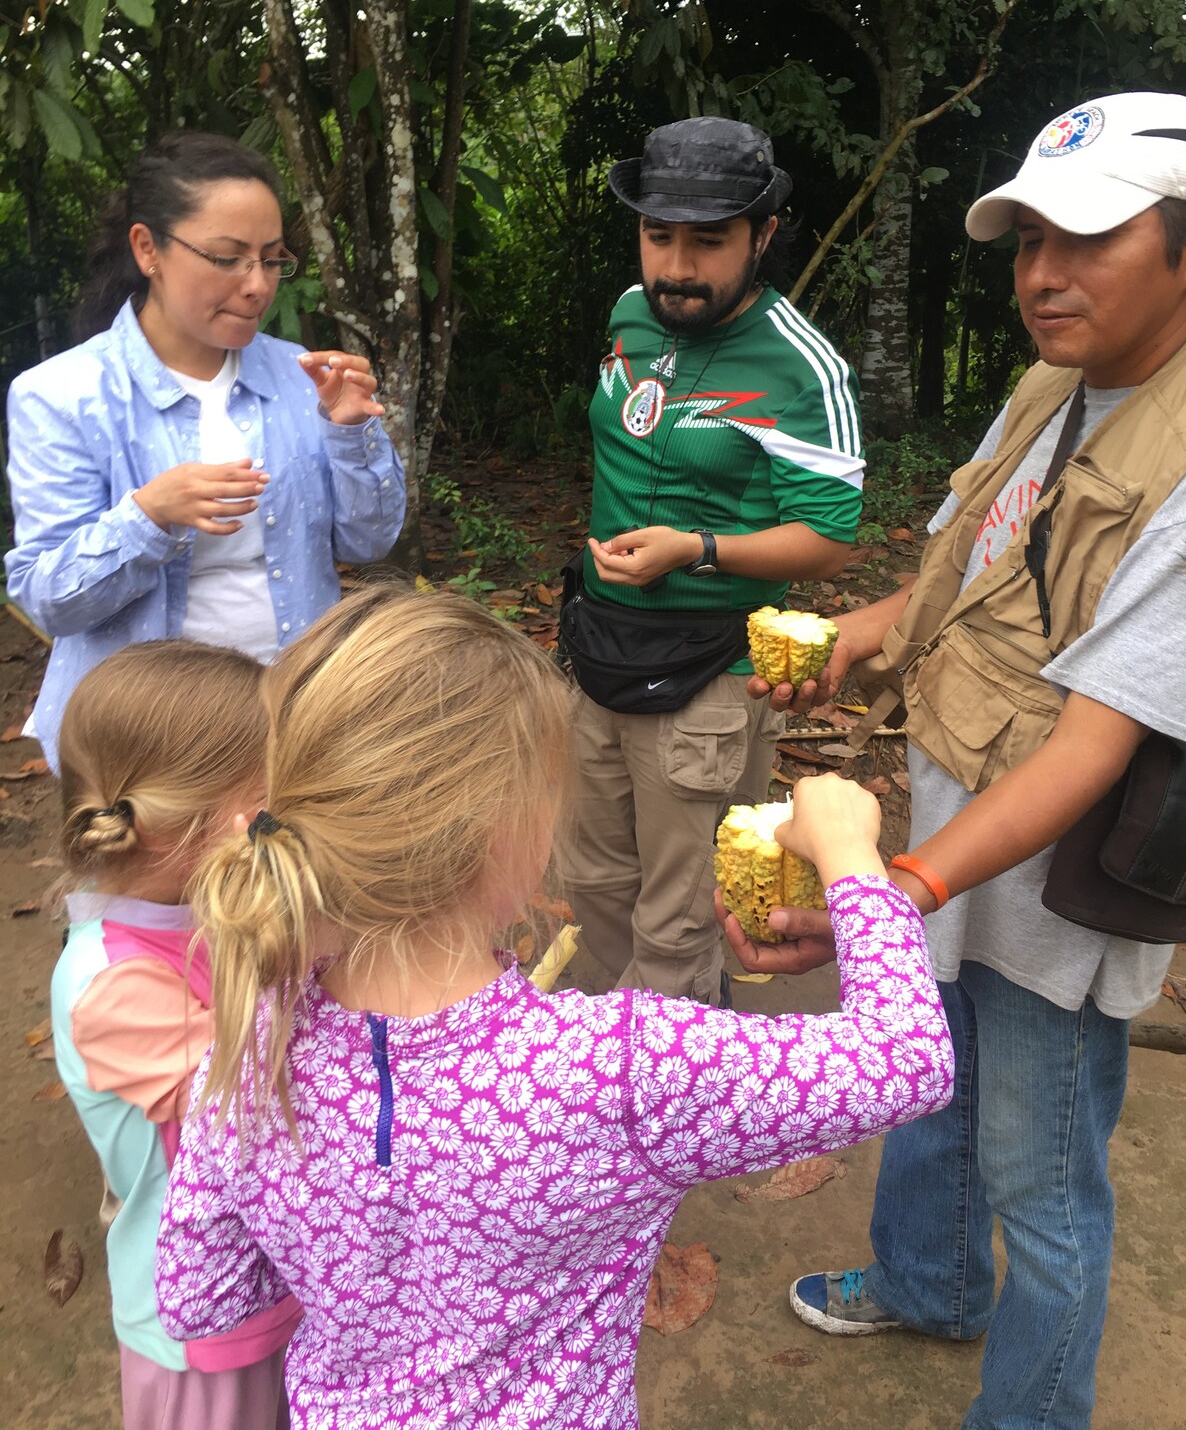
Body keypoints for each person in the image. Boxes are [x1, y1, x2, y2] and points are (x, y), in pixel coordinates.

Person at [154, 584, 952, 1429]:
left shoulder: (247, 1045)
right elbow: (907, 1061)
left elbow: (199, 1297)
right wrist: (853, 861)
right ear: (510, 832)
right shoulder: (619, 1066)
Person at [733, 90, 1186, 1430]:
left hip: (1055, 877)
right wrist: (846, 641)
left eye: (1090, 238)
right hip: (953, 810)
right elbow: (956, 580)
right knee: (923, 1080)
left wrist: (889, 893)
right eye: (1026, 242)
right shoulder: (1057, 382)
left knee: (1043, 1181)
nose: (1042, 276)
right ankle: (930, 1280)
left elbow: (1100, 739)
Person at [556, 116, 864, 1004]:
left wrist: (696, 549)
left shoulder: (800, 366)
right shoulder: (628, 317)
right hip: (598, 653)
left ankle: (669, 1110)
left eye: (709, 241)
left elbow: (831, 539)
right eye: (660, 237)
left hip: (709, 677)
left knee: (681, 913)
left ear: (763, 236)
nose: (678, 267)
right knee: (597, 884)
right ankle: (604, 1073)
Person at [5, 130, 406, 774]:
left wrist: (350, 431)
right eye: (227, 258)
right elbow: (49, 599)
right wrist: (148, 516)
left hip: (294, 717)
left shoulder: (301, 377)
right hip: (144, 744)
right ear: (148, 249)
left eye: (272, 260)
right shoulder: (62, 396)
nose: (257, 286)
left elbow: (369, 542)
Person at [51, 639, 300, 1430]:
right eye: (274, 799)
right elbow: (264, 1108)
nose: (294, 813)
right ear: (185, 832)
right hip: (202, 1325)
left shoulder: (201, 915)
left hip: (285, 1277)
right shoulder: (112, 986)